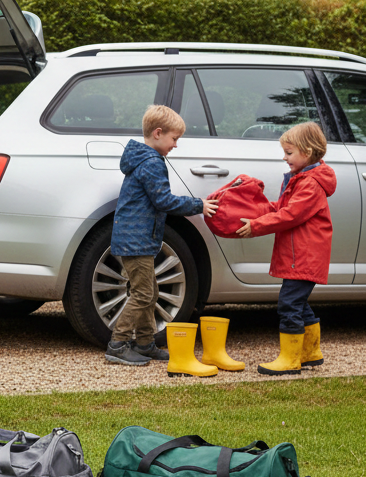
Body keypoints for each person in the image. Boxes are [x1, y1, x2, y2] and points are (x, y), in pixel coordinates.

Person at [106, 104, 219, 366]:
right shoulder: (152, 162)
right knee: (144, 294)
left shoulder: (142, 159)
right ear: (158, 133)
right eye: (174, 138)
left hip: (136, 239)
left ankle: (145, 343)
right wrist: (198, 205)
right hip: (136, 241)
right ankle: (118, 344)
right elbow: (163, 201)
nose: (176, 145)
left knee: (149, 292)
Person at [236, 121, 334, 374]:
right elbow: (281, 208)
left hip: (304, 256)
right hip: (300, 255)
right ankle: (311, 353)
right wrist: (253, 211)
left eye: (289, 153)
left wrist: (257, 226)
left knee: (289, 304)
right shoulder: (300, 180)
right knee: (298, 303)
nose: (284, 157)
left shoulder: (310, 184)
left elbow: (290, 215)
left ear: (308, 151)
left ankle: (290, 359)